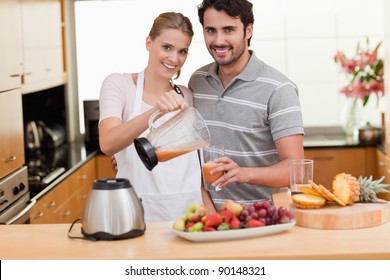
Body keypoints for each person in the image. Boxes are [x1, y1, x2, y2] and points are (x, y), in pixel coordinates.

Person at [188, 0, 305, 209]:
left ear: (248, 30)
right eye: (210, 31)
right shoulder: (197, 81)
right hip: (209, 219)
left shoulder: (279, 89)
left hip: (262, 219)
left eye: (229, 30)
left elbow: (295, 170)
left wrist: (243, 173)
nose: (218, 40)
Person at [99, 12, 212, 221]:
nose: (174, 58)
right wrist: (155, 110)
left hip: (191, 217)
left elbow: (195, 172)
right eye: (167, 47)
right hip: (138, 215)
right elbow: (107, 143)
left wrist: (216, 222)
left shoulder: (186, 95)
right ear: (149, 42)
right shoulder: (119, 85)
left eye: (182, 51)